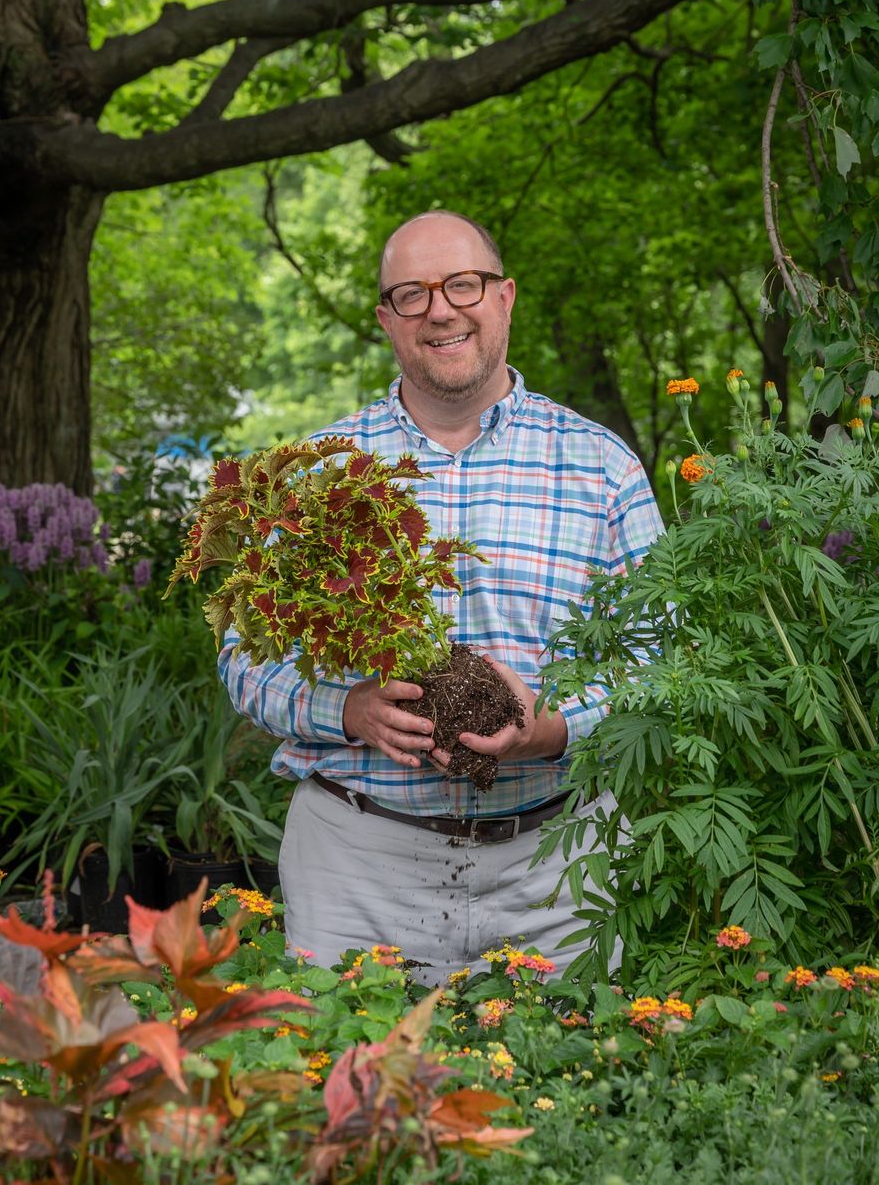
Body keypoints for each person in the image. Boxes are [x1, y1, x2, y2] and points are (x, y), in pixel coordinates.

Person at [220, 210, 663, 982]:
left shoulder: (602, 468)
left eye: (464, 283)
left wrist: (554, 726)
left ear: (505, 297)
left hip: (555, 874)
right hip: (358, 867)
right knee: (351, 1087)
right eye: (413, 294)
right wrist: (347, 708)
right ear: (387, 319)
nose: (441, 309)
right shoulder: (318, 476)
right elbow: (245, 657)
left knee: (562, 1091)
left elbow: (663, 659)